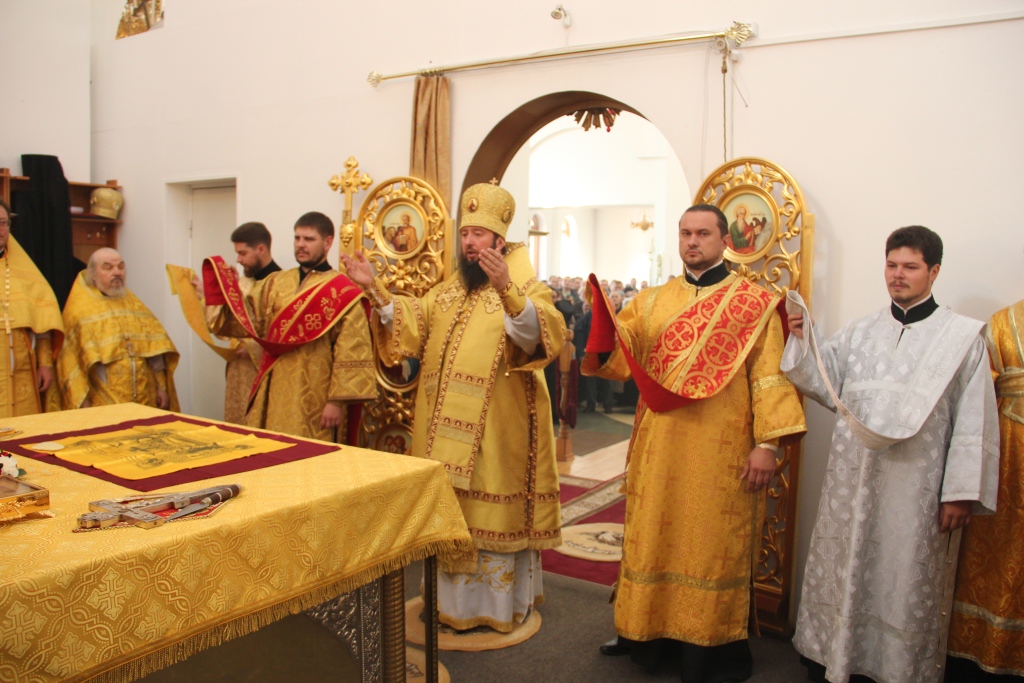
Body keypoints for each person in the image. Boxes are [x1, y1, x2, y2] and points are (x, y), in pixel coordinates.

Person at [585, 204, 806, 682]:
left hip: (720, 451)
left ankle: (706, 649)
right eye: (685, 233)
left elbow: (769, 376)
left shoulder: (753, 303)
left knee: (709, 545)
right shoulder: (652, 301)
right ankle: (644, 635)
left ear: (725, 240)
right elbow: (622, 358)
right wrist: (602, 321)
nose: (692, 241)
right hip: (659, 444)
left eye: (703, 233)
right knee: (653, 538)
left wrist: (767, 446)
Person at [341, 181, 566, 633]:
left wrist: (507, 291)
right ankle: (452, 606)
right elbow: (414, 321)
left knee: (490, 517)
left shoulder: (525, 285)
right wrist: (376, 289)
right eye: (465, 234)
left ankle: (497, 608)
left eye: (478, 234)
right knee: (450, 516)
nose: (469, 243)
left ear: (499, 240)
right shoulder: (449, 291)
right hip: (442, 434)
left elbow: (539, 335)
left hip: (498, 434)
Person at [781, 225, 999, 683]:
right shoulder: (861, 330)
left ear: (934, 271)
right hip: (852, 482)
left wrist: (959, 493)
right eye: (891, 265)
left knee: (901, 580)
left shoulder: (961, 339)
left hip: (916, 488)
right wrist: (805, 336)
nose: (898, 275)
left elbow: (974, 420)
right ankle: (837, 661)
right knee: (845, 569)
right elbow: (823, 382)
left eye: (910, 267)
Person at [205, 212, 375, 442]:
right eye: (297, 238)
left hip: (316, 394)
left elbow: (351, 349)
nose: (300, 244)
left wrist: (335, 402)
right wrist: (226, 290)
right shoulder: (275, 282)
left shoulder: (343, 291)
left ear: (327, 242)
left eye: (309, 239)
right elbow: (247, 320)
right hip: (275, 387)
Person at [945, 293, 1024, 682]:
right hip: (1009, 461)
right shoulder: (1004, 324)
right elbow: (976, 398)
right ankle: (981, 653)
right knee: (998, 557)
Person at [54, 248, 179, 410]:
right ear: (92, 273)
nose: (117, 272)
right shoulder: (79, 310)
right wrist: (82, 403)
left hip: (144, 396)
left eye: (121, 267)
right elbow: (72, 363)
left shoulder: (135, 306)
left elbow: (155, 349)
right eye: (108, 267)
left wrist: (161, 387)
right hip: (103, 400)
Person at [0, 199, 64, 417]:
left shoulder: (25, 270)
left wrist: (45, 364)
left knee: (24, 430)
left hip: (22, 373)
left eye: (3, 223)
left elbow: (43, 325)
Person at [223, 222, 280, 423]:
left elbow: (283, 333)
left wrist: (254, 348)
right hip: (239, 372)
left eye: (243, 253)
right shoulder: (244, 282)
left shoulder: (281, 284)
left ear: (261, 249)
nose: (238, 260)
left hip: (265, 375)